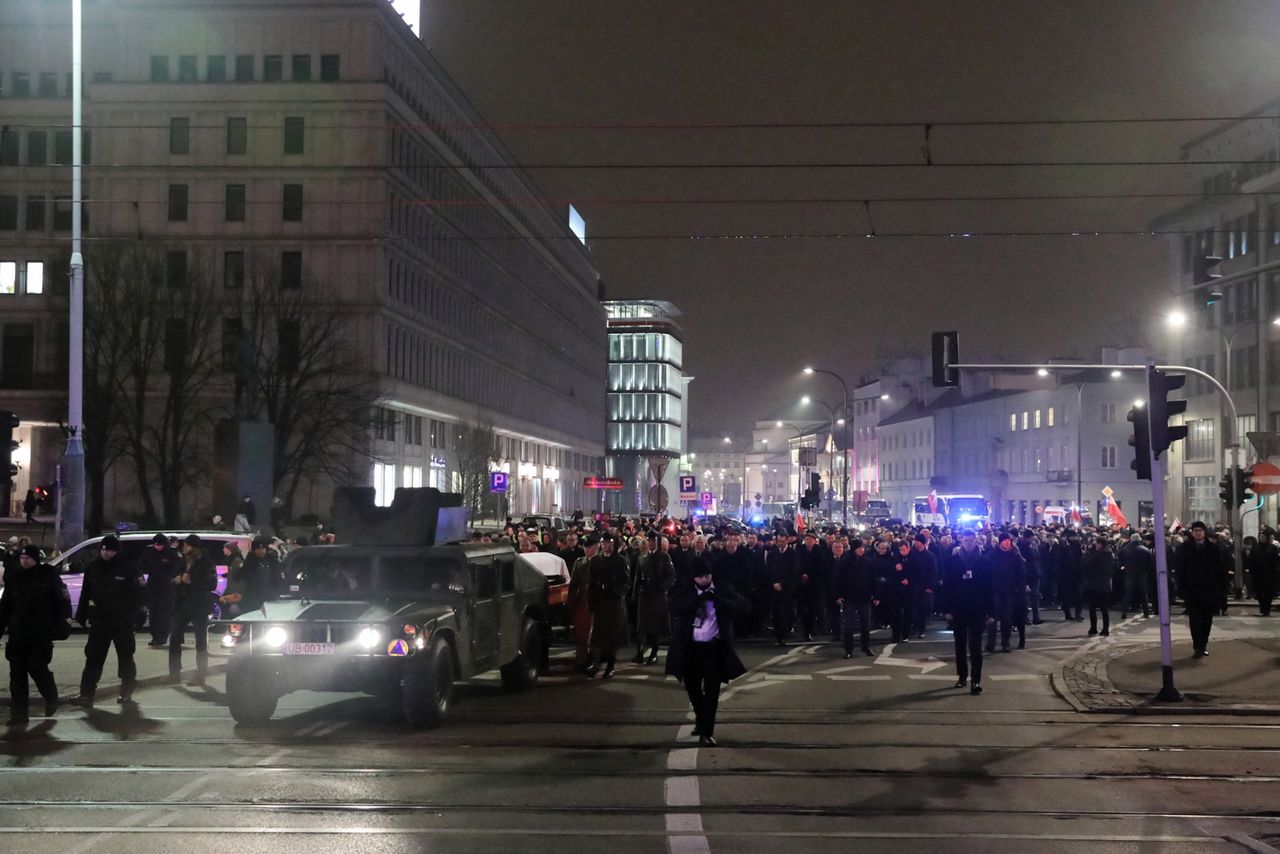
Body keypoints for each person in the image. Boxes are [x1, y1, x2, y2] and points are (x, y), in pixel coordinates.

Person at [665, 558, 747, 747]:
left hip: (714, 647)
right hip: (690, 647)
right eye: (701, 577)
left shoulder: (722, 587)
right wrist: (695, 601)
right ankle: (701, 719)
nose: (705, 579)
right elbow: (673, 606)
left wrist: (718, 601)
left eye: (707, 575)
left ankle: (706, 731)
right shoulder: (686, 587)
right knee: (692, 687)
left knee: (712, 691)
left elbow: (741, 606)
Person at [71, 534, 144, 707]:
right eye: (103, 549)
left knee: (125, 658)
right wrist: (82, 614)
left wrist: (133, 615)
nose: (105, 553)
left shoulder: (128, 568)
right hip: (100, 621)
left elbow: (140, 595)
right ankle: (86, 694)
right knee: (93, 658)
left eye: (109, 550)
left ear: (116, 551)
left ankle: (126, 691)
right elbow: (86, 592)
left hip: (122, 621)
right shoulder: (94, 567)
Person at [0, 545, 69, 725]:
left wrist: (61, 626)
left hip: (39, 634)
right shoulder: (14, 578)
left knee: (37, 668)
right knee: (17, 675)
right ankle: (19, 715)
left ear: (35, 559)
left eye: (27, 558)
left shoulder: (48, 576)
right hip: (17, 634)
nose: (24, 561)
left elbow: (62, 602)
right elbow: (5, 607)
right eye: (22, 558)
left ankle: (50, 695)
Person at [942, 531, 994, 695]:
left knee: (975, 647)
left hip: (977, 608)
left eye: (971, 540)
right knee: (960, 645)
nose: (969, 543)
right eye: (966, 540)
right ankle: (962, 676)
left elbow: (990, 588)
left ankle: (976, 679)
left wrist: (991, 611)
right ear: (961, 541)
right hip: (959, 608)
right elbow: (948, 587)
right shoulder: (953, 561)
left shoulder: (984, 562)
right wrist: (947, 609)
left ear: (976, 541)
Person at [1174, 521, 1230, 657]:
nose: (1198, 533)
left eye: (1200, 530)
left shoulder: (1213, 548)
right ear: (1192, 532)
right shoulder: (1184, 548)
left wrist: (1222, 589)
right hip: (1192, 591)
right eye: (1195, 530)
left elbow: (1220, 570)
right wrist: (1181, 588)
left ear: (1204, 532)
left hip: (1208, 590)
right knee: (1194, 619)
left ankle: (1203, 644)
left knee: (1207, 619)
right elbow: (1179, 569)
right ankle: (1197, 645)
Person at [169, 534, 217, 686]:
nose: (184, 548)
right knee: (175, 637)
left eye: (188, 546)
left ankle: (201, 673)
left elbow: (212, 585)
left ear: (195, 548)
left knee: (200, 641)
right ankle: (174, 672)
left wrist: (192, 582)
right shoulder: (182, 561)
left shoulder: (207, 563)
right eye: (184, 545)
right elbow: (171, 578)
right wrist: (175, 581)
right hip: (181, 605)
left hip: (199, 606)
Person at [585, 533, 630, 678]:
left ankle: (610, 666)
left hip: (614, 603)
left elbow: (626, 582)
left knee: (612, 637)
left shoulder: (621, 561)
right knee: (596, 636)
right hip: (599, 602)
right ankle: (595, 663)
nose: (605, 545)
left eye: (608, 542)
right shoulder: (596, 561)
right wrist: (591, 603)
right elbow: (590, 584)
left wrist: (615, 591)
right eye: (603, 542)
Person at [631, 532, 675, 664]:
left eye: (653, 540)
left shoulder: (664, 557)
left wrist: (662, 587)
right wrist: (634, 593)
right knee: (641, 626)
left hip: (657, 595)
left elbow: (671, 576)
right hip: (644, 595)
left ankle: (654, 653)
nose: (650, 543)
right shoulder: (642, 557)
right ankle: (639, 652)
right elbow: (637, 578)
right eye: (649, 540)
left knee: (655, 627)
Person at [832, 539, 876, 658]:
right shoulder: (844, 562)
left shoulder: (868, 562)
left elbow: (873, 580)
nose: (862, 550)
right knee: (848, 625)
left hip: (864, 597)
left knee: (866, 625)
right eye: (859, 548)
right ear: (854, 549)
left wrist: (875, 595)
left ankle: (865, 647)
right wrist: (838, 596)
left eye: (862, 548)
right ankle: (848, 649)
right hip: (849, 598)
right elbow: (837, 580)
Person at [985, 533, 1027, 652]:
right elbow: (986, 573)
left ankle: (1005, 643)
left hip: (1009, 592)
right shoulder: (992, 556)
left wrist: (1020, 589)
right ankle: (991, 643)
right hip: (995, 591)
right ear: (1000, 542)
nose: (1007, 542)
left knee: (1007, 619)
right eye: (1005, 541)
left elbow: (1021, 575)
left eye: (1009, 540)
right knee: (992, 619)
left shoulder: (1015, 556)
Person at [141, 533, 180, 647]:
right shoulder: (149, 553)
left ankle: (162, 636)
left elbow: (176, 568)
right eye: (156, 545)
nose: (158, 547)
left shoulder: (171, 554)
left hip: (167, 587)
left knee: (164, 613)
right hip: (153, 587)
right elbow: (142, 566)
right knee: (153, 612)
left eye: (160, 545)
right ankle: (154, 636)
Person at [1081, 536, 1116, 637]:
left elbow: (1088, 565)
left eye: (1096, 543)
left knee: (1092, 608)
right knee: (1104, 608)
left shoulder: (1099, 555)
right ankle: (1105, 629)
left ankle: (1093, 628)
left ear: (1100, 544)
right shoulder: (1110, 554)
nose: (1095, 545)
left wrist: (1086, 554)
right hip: (1105, 584)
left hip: (1095, 584)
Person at [1119, 533, 1154, 619]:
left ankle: (1124, 612)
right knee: (1143, 594)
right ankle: (1146, 612)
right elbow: (1150, 563)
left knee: (1127, 594)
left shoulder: (1125, 549)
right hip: (1141, 574)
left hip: (1129, 573)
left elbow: (1121, 561)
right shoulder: (1145, 550)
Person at [1248, 529, 1279, 616]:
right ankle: (1262, 608)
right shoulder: (1255, 548)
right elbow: (1251, 560)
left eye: (1264, 537)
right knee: (1259, 593)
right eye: (1261, 536)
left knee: (1268, 594)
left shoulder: (1273, 548)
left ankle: (1266, 610)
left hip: (1269, 575)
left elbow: (1276, 560)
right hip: (1258, 575)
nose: (1262, 538)